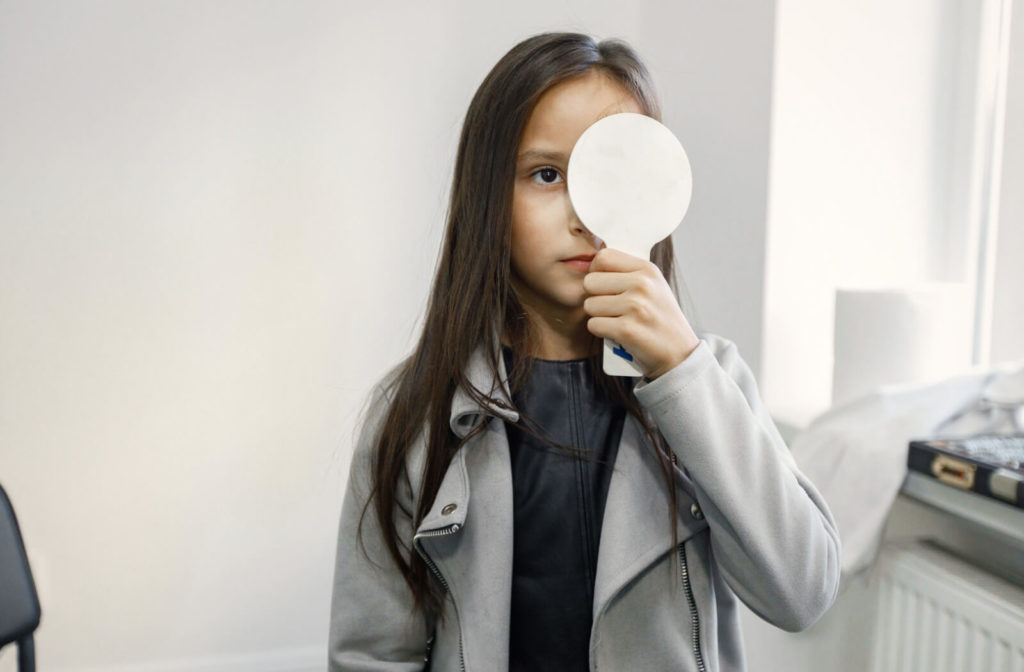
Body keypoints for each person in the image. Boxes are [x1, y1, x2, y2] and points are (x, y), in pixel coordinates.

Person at [329, 31, 840, 672]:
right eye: (547, 175)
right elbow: (372, 652)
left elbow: (803, 592)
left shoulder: (712, 384)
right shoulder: (417, 413)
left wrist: (682, 368)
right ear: (488, 196)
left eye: (613, 176)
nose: (584, 214)